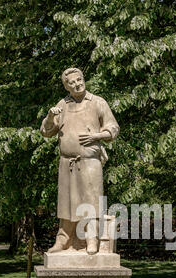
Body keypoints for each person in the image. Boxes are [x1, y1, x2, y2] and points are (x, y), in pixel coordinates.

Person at [40, 67, 119, 254]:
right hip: (67, 164)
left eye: (79, 79)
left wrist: (97, 136)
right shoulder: (63, 105)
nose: (77, 84)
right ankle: (63, 240)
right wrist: (50, 116)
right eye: (71, 82)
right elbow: (46, 131)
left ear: (84, 79)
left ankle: (90, 240)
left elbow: (113, 127)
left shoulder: (98, 102)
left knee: (91, 201)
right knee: (66, 203)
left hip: (90, 161)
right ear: (66, 86)